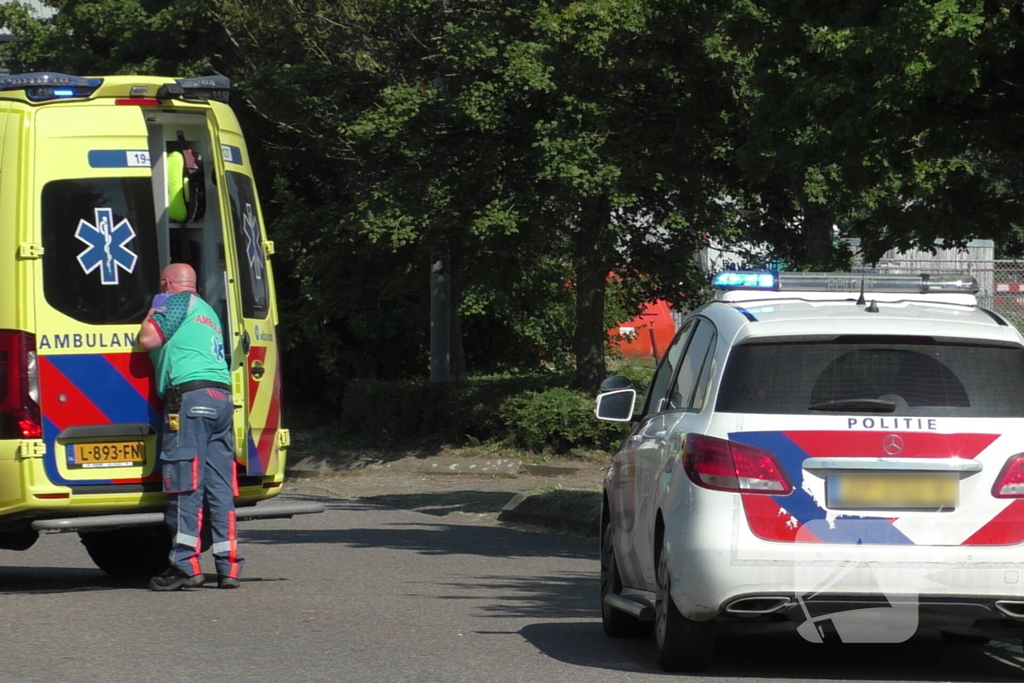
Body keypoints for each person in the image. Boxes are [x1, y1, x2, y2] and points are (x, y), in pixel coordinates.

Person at [138, 263, 243, 591]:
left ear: (166, 283)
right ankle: (228, 567)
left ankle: (185, 566)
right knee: (220, 487)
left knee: (185, 484)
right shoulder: (208, 310)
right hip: (221, 399)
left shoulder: (175, 302)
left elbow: (148, 339)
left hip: (190, 399)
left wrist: (153, 308)